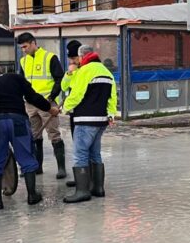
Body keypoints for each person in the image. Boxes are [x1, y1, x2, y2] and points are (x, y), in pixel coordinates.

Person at [0, 67, 60, 208]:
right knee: (26, 156)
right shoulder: (15, 78)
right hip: (18, 120)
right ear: (3, 72)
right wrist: (49, 108)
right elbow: (32, 97)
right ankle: (32, 195)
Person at [62, 45, 117, 204]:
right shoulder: (107, 72)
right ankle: (98, 189)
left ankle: (82, 191)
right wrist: (111, 114)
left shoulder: (85, 71)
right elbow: (112, 97)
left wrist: (65, 108)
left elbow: (76, 93)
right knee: (95, 153)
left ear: (81, 57)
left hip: (84, 120)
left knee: (80, 154)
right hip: (101, 121)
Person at [16, 33, 67, 179]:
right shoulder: (23, 61)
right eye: (21, 48)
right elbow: (22, 81)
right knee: (34, 135)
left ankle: (61, 168)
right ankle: (37, 167)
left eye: (25, 46)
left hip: (47, 102)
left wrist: (51, 97)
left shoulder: (50, 57)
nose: (23, 50)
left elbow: (60, 79)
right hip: (30, 104)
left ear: (33, 43)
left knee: (54, 134)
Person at [60, 40, 82, 188]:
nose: (72, 61)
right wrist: (69, 73)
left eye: (74, 58)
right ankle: (80, 177)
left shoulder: (86, 68)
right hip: (74, 111)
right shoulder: (72, 70)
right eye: (70, 59)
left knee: (83, 146)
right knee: (77, 144)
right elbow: (63, 86)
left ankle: (86, 178)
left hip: (84, 110)